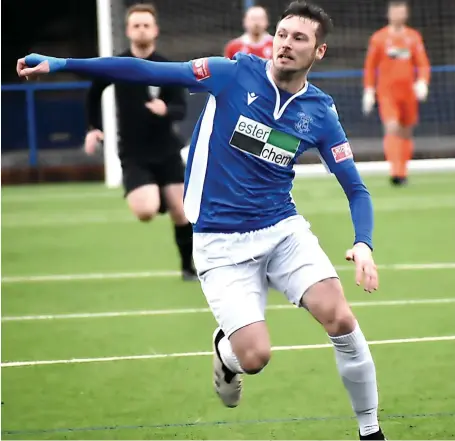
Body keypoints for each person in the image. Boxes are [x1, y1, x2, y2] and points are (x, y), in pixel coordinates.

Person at [17, 2, 386, 439]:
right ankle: (226, 351)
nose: (285, 44)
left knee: (340, 318)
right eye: (282, 34)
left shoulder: (320, 113)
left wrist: (364, 243)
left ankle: (370, 431)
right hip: (219, 242)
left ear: (319, 52)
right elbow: (143, 71)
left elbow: (357, 189)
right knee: (255, 357)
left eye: (299, 38)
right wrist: (62, 63)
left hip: (283, 231)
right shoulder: (231, 74)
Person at [85, 3, 197, 280]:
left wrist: (166, 111)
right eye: (136, 25)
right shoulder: (118, 66)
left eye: (146, 24)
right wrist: (93, 127)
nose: (141, 29)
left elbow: (181, 109)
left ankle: (188, 268)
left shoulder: (168, 67)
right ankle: (156, 196)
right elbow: (93, 92)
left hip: (167, 151)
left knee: (183, 212)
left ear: (155, 30)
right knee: (146, 211)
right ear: (128, 31)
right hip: (134, 153)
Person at [362, 0, 430, 186]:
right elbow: (370, 66)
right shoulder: (379, 38)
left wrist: (422, 82)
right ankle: (396, 173)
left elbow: (422, 63)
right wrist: (369, 89)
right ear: (389, 13)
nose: (399, 15)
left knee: (406, 132)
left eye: (402, 11)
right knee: (392, 127)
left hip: (408, 92)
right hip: (387, 92)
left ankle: (403, 170)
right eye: (396, 11)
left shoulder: (413, 37)